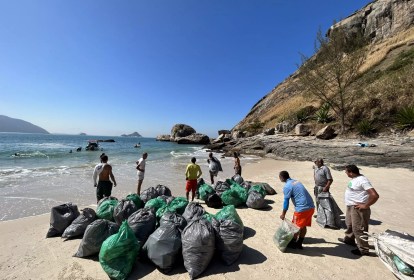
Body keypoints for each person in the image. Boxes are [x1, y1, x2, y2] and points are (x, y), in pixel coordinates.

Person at [339, 164, 379, 256]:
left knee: (359, 228)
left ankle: (363, 249)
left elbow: (375, 195)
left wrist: (365, 205)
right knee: (349, 224)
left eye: (346, 172)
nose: (345, 173)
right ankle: (349, 240)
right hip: (351, 206)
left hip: (358, 208)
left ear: (351, 172)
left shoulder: (362, 180)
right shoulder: (355, 179)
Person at [279, 171, 315, 249]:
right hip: (311, 207)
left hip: (302, 209)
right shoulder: (296, 181)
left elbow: (286, 202)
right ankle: (299, 243)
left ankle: (293, 243)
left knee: (295, 227)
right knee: (303, 226)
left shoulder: (287, 186)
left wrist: (283, 214)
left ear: (281, 178)